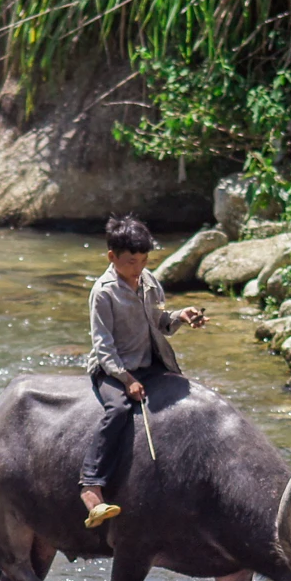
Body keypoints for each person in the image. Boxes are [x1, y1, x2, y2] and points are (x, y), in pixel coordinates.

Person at [79, 215, 206, 528]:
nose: (138, 269)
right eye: (131, 262)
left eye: (144, 261)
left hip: (150, 363)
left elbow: (160, 323)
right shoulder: (104, 292)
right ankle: (91, 487)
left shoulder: (149, 281)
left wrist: (181, 316)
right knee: (118, 409)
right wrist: (127, 380)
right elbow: (104, 347)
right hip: (113, 370)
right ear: (112, 257)